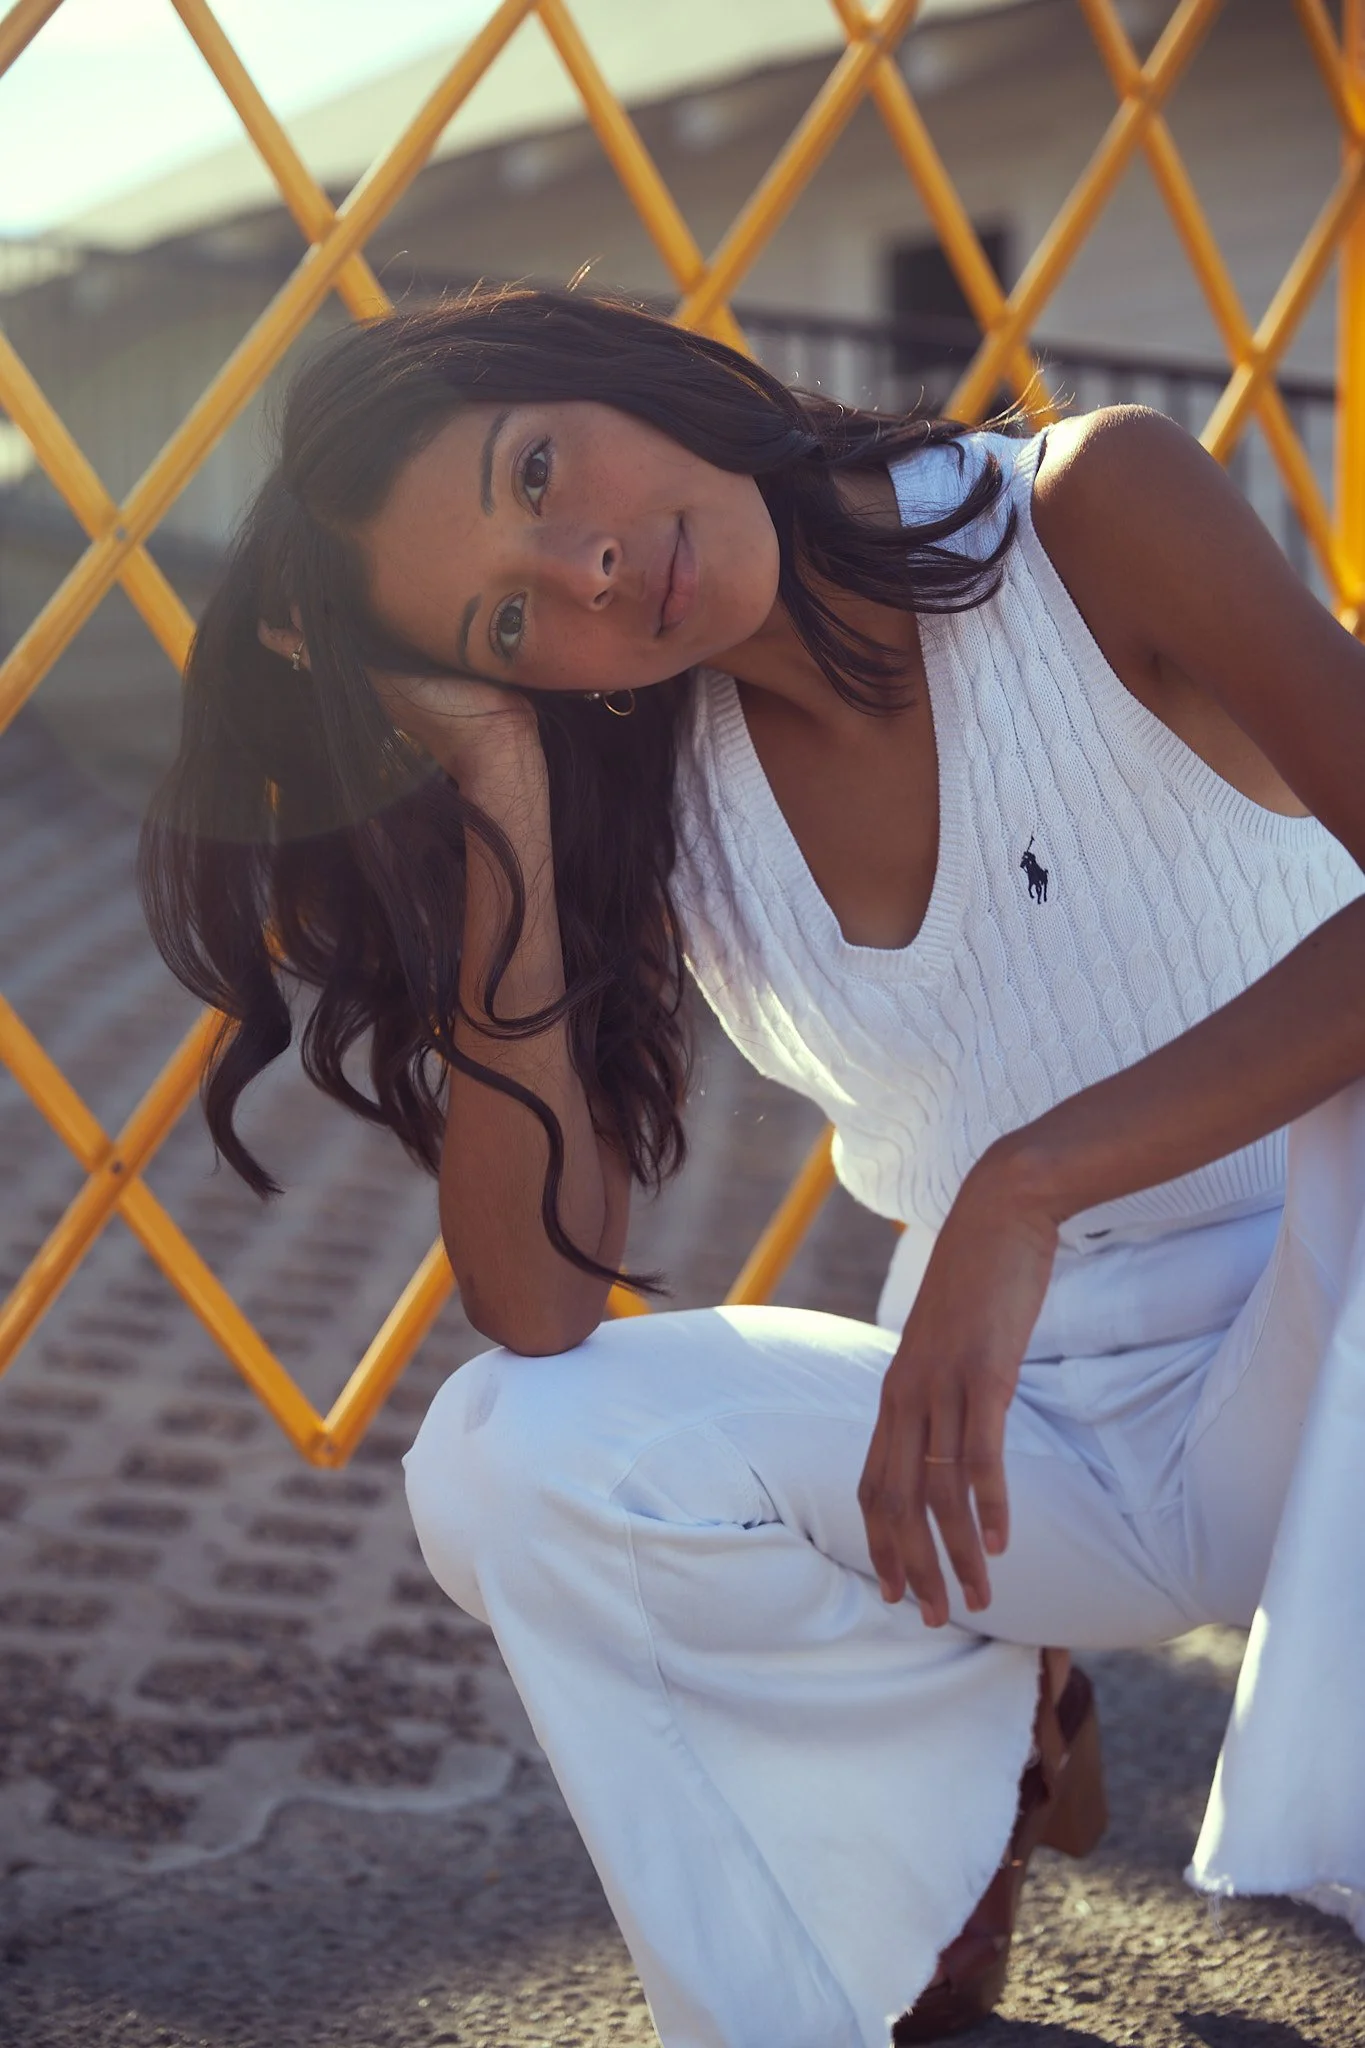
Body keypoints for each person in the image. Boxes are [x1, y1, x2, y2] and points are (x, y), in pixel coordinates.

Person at [138, 288, 1365, 2048]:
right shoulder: (649, 781)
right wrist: (501, 784)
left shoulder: (1091, 512)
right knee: (509, 1454)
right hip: (1030, 1447)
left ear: (606, 366)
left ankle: (990, 1732)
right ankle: (905, 1853)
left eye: (537, 471)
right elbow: (537, 1304)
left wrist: (1025, 1184)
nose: (587, 568)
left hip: (1329, 1351)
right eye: (509, 617)